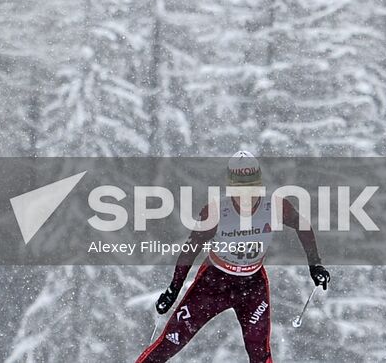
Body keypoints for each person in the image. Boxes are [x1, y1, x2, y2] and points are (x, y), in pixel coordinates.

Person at [134, 152, 330, 363]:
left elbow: (304, 227)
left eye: (252, 189)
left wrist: (315, 265)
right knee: (170, 342)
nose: (246, 196)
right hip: (212, 284)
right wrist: (174, 288)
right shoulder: (217, 211)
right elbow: (191, 248)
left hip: (252, 286)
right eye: (239, 190)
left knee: (259, 353)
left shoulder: (275, 206)